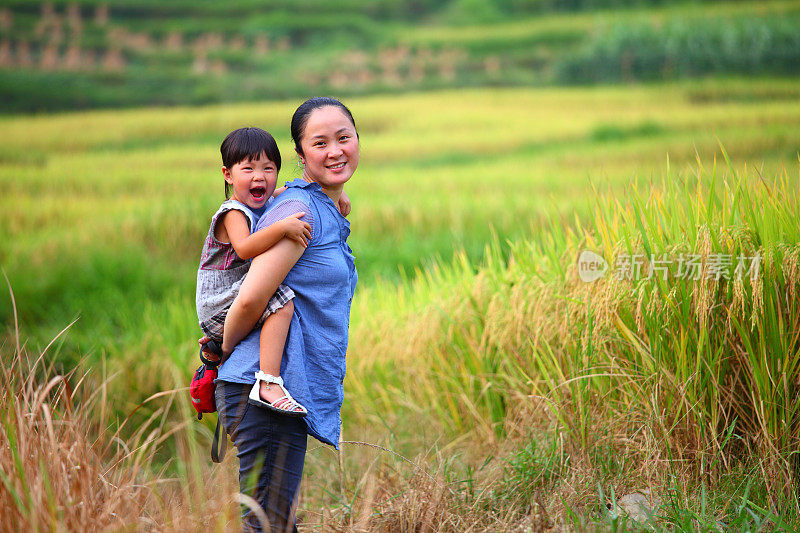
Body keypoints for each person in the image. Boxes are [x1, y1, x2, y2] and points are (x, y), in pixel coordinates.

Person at [214, 97, 359, 532]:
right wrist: (223, 349)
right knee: (267, 524)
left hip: (279, 391)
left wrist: (335, 196)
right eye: (320, 142)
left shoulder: (322, 205)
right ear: (301, 154)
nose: (335, 150)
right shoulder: (299, 213)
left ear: (358, 141)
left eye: (344, 137)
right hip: (260, 392)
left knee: (276, 523)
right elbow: (250, 299)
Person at [196, 127, 348, 415]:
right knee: (283, 302)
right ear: (228, 174)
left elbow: (295, 189)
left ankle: (236, 356)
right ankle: (268, 381)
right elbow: (244, 248)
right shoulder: (233, 212)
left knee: (277, 299)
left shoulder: (262, 200)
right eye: (248, 168)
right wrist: (282, 227)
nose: (259, 177)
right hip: (218, 300)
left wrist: (335, 196)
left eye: (269, 169)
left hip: (234, 297)